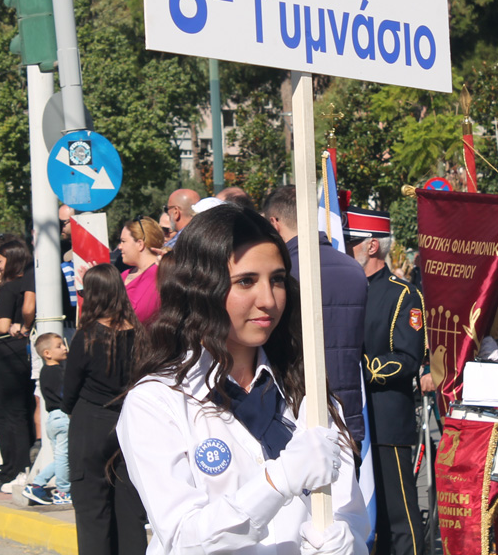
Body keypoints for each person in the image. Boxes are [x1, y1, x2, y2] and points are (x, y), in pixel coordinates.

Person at [119, 203, 369, 555]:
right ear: (200, 287)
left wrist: (347, 540)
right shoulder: (158, 401)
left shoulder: (308, 392)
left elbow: (350, 513)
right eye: (245, 281)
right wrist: (278, 481)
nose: (267, 300)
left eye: (277, 280)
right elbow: (185, 538)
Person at [263, 185, 368, 448]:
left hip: (298, 413)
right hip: (347, 414)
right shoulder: (354, 269)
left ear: (274, 223)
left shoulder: (281, 274)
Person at [347, 207, 425, 555]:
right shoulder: (346, 289)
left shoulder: (402, 294)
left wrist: (360, 368)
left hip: (386, 418)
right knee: (362, 515)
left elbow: (408, 358)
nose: (344, 248)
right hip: (352, 419)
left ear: (372, 246)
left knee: (398, 516)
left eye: (351, 242)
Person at [65, 264, 146, 555]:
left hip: (91, 424)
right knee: (130, 512)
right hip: (128, 425)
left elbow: (69, 392)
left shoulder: (87, 336)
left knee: (92, 512)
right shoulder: (140, 333)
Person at [0, 238, 36, 492]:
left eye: (0, 259)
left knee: (6, 412)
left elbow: (2, 325)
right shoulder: (23, 284)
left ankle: (15, 467)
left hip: (9, 354)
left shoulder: (9, 288)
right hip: (15, 352)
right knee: (9, 412)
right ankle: (12, 466)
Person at [23, 332, 72, 505]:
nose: (64, 348)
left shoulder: (45, 372)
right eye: (59, 346)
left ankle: (37, 484)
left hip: (53, 418)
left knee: (61, 458)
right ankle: (63, 491)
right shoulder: (57, 372)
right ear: (47, 353)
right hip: (62, 417)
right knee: (65, 457)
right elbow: (65, 395)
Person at [117, 217, 165, 325]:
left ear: (140, 244)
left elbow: (136, 315)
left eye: (123, 241)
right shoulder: (124, 274)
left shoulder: (157, 273)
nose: (120, 247)